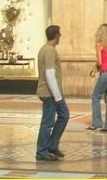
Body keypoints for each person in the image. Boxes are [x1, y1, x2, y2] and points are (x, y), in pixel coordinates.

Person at [35, 25, 69, 161]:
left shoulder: (44, 49)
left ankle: (52, 145)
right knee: (48, 122)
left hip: (51, 92)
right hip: (50, 93)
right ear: (56, 36)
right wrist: (58, 96)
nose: (60, 36)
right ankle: (42, 151)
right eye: (59, 34)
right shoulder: (49, 51)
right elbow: (50, 74)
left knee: (64, 115)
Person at [87, 24, 107, 132]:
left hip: (105, 73)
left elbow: (100, 62)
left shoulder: (99, 45)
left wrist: (96, 66)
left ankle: (97, 123)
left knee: (95, 97)